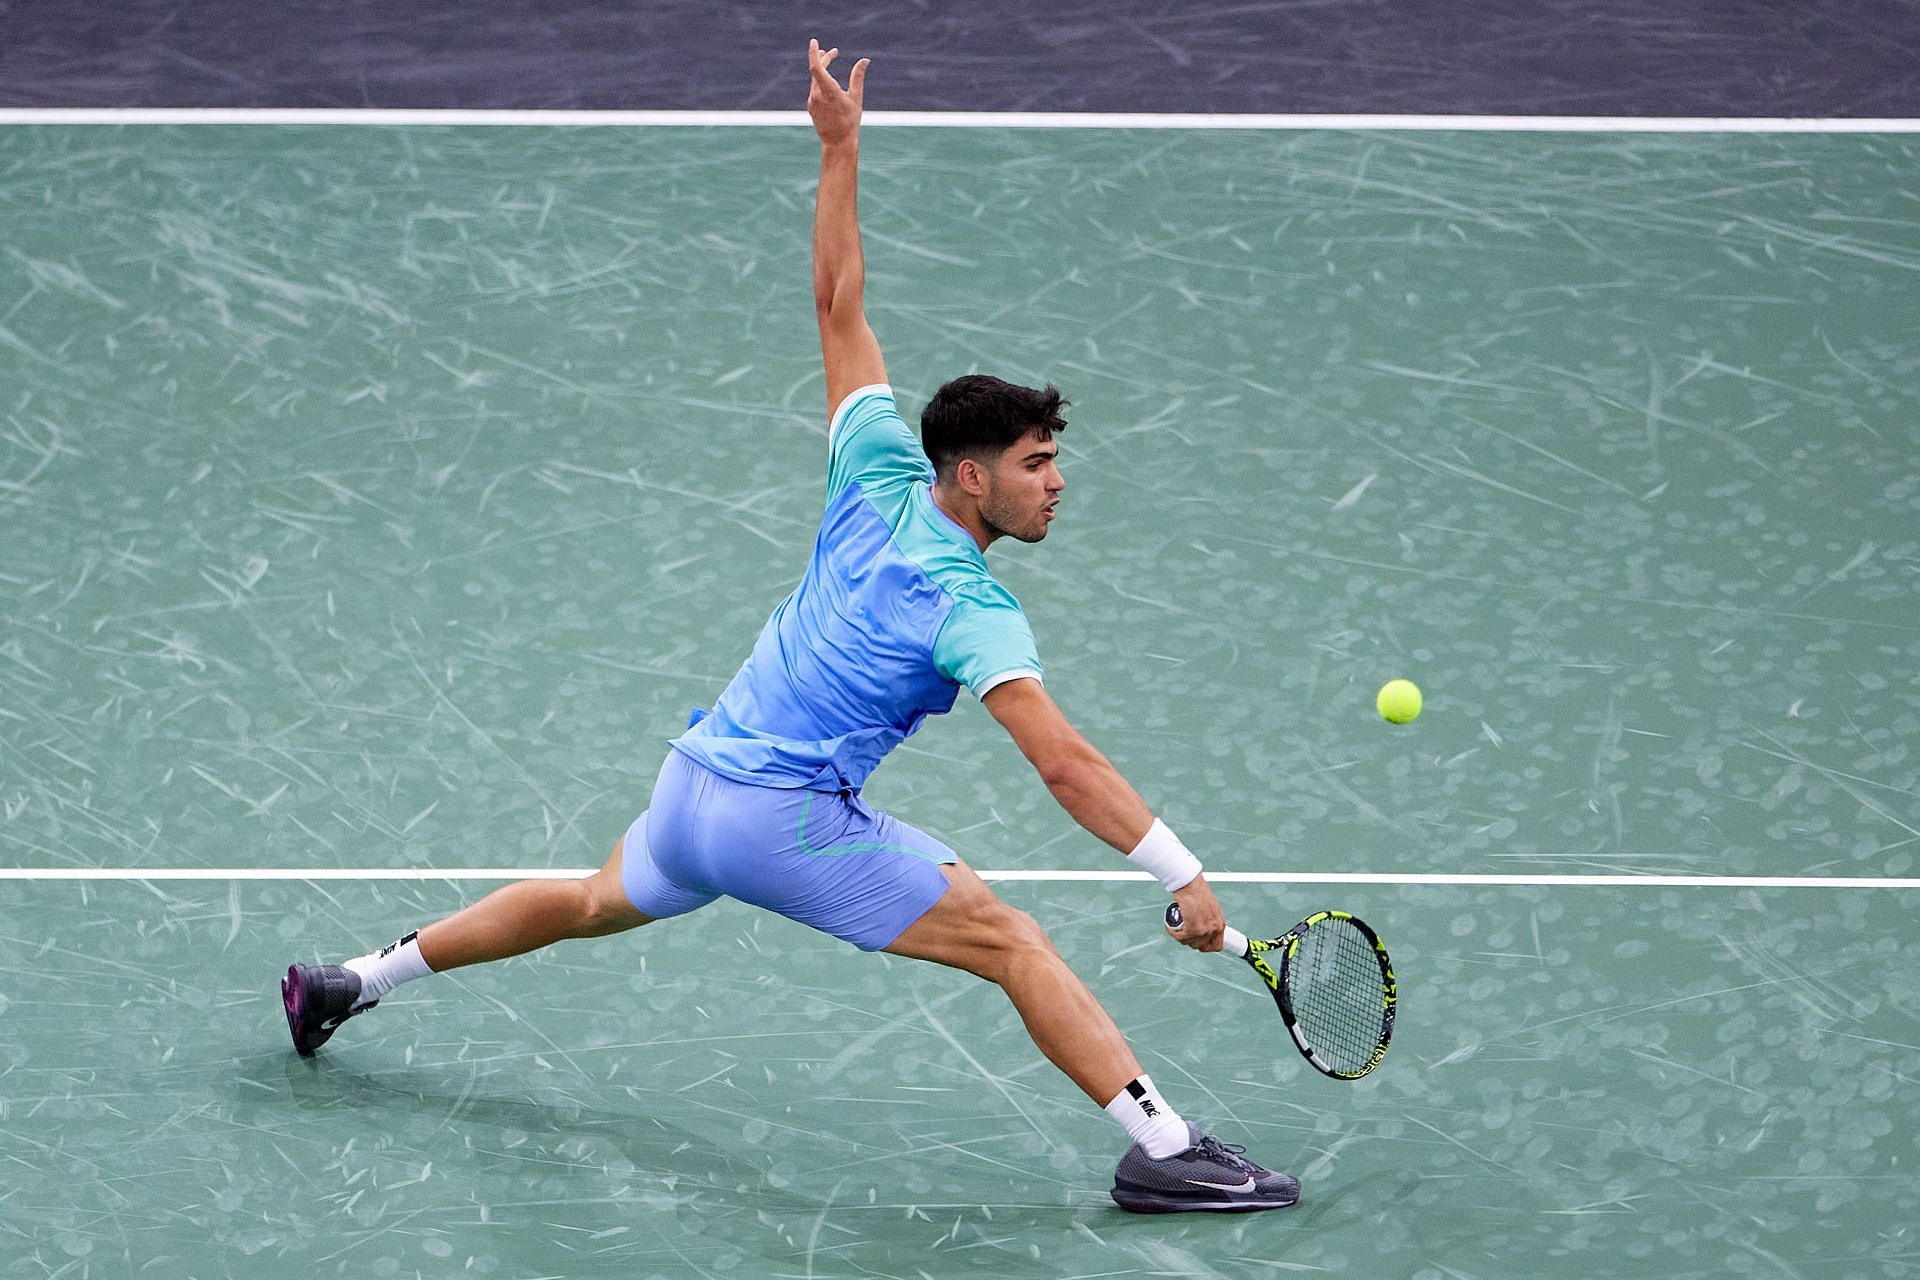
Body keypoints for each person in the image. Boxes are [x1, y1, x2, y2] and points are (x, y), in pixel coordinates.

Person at [281, 40, 1299, 1215]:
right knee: (1012, 938)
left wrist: (839, 148)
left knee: (587, 900)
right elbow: (1064, 763)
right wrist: (1180, 871)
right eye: (1036, 463)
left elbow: (836, 302)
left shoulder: (874, 467)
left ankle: (349, 979)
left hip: (695, 785)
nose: (1057, 482)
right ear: (970, 478)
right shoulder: (969, 605)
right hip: (782, 820)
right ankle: (1164, 1151)